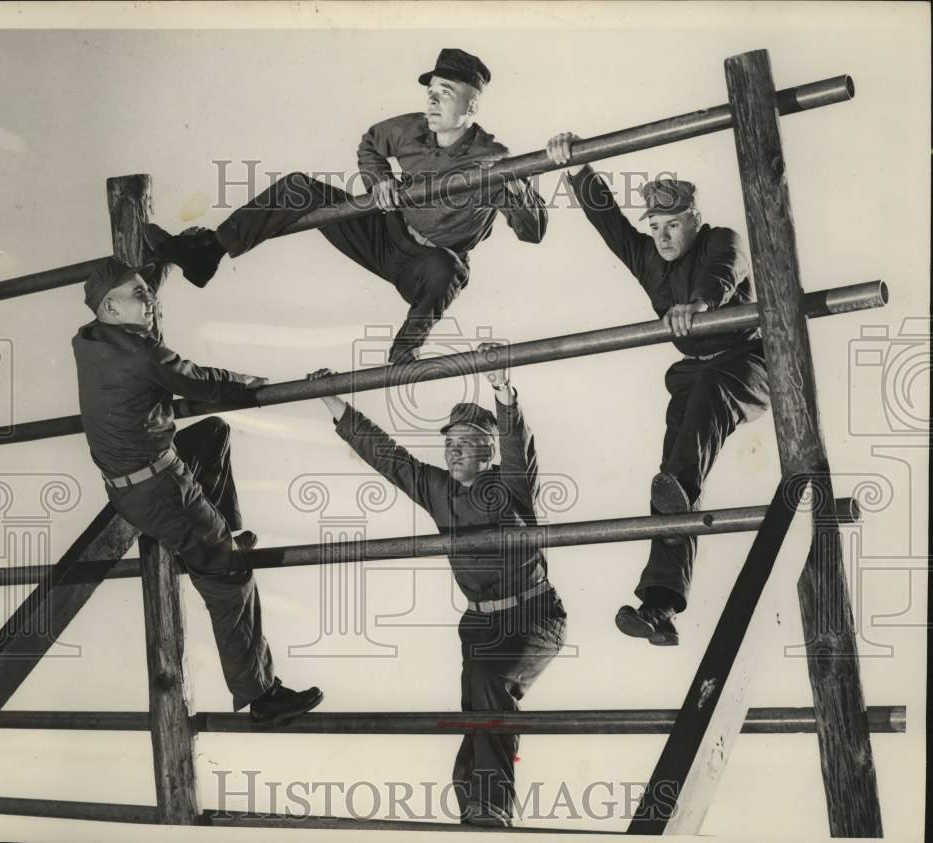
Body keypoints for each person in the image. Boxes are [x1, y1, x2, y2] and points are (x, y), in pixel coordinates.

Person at [146, 48, 547, 364]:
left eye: (447, 94)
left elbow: (534, 232)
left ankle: (405, 353)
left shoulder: (492, 159)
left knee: (447, 268)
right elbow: (370, 143)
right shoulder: (410, 128)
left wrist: (515, 187)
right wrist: (380, 182)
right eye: (432, 92)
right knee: (299, 188)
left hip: (425, 266)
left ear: (471, 108)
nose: (434, 102)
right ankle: (209, 252)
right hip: (383, 233)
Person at [307, 342, 566, 827]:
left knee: (490, 687)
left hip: (534, 616)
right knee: (478, 705)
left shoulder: (510, 488)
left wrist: (502, 390)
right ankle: (473, 804)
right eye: (448, 443)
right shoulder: (438, 489)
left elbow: (518, 450)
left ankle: (490, 807)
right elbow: (388, 458)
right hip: (480, 624)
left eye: (464, 442)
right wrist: (333, 400)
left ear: (487, 451)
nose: (453, 451)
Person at [72, 256, 323, 725]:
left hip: (130, 481)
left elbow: (136, 307)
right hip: (162, 488)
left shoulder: (88, 339)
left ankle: (223, 534)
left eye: (149, 290)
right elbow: (196, 379)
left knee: (211, 435)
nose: (151, 301)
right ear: (109, 307)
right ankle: (262, 693)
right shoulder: (143, 354)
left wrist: (158, 266)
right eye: (140, 296)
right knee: (233, 580)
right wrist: (245, 382)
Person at [545, 132, 771, 647]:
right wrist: (578, 170)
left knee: (683, 462)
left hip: (747, 363)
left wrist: (701, 304)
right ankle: (660, 606)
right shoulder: (649, 256)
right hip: (696, 373)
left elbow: (723, 272)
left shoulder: (722, 239)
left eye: (674, 225)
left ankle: (676, 495)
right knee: (672, 480)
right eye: (657, 227)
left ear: (695, 220)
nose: (664, 236)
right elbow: (610, 224)